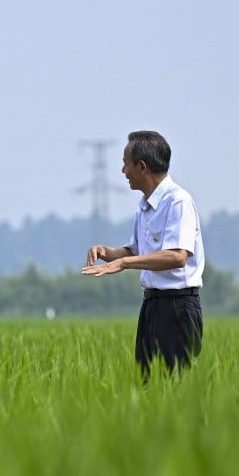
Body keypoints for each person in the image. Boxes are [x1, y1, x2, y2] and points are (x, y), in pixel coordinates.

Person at [82, 130, 205, 378]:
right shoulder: (145, 207)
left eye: (125, 164)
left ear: (141, 167)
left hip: (178, 307)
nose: (123, 171)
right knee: (148, 385)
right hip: (152, 306)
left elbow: (177, 257)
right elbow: (136, 251)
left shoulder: (177, 201)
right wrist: (108, 253)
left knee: (176, 386)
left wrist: (125, 263)